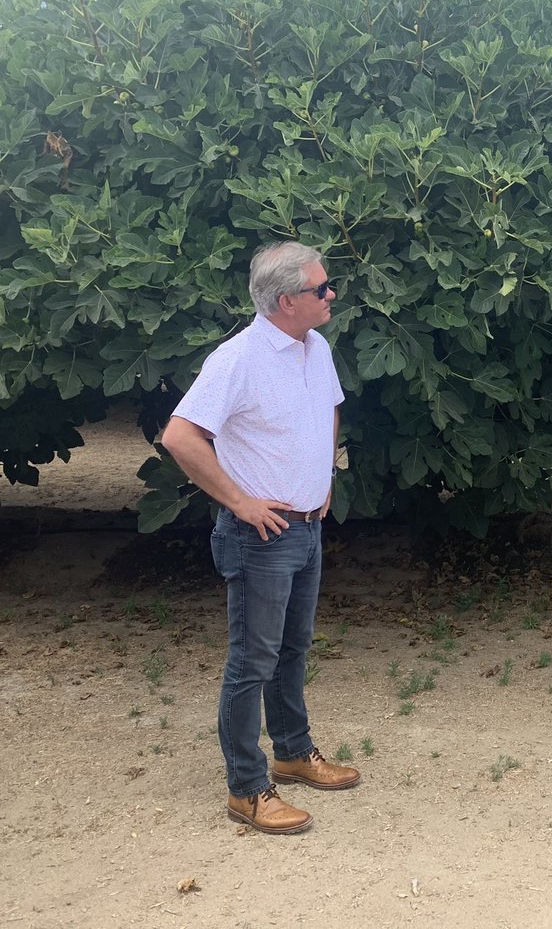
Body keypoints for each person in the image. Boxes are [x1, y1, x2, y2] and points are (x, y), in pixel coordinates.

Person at [162, 241, 359, 835]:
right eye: (321, 289)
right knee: (252, 662)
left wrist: (326, 471)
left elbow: (328, 409)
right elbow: (180, 437)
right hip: (260, 536)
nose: (331, 296)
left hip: (306, 527)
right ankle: (247, 788)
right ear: (284, 300)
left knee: (293, 648)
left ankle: (294, 751)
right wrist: (241, 502)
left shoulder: (316, 346)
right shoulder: (237, 359)